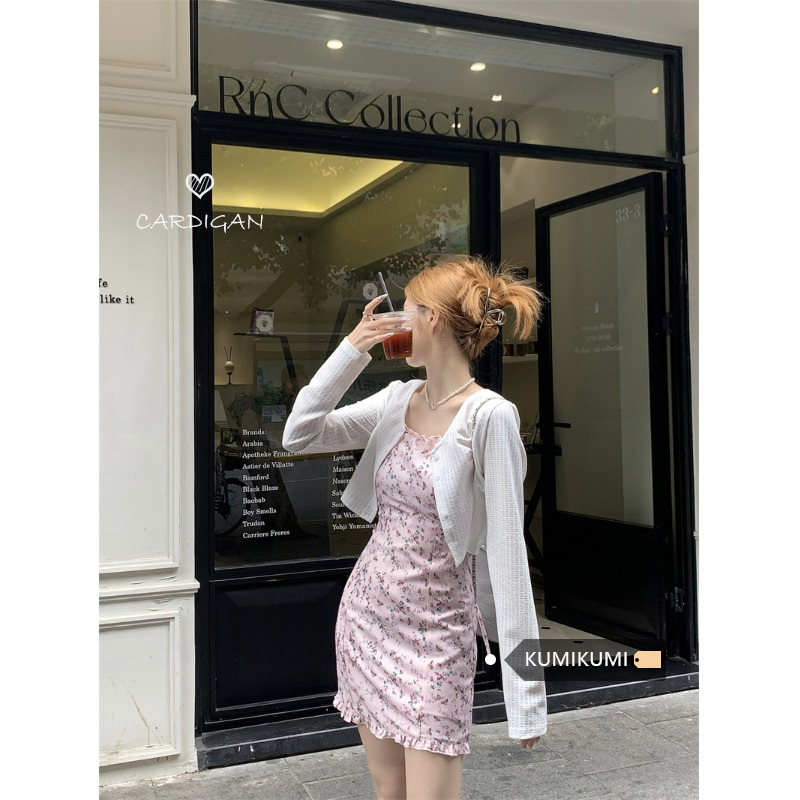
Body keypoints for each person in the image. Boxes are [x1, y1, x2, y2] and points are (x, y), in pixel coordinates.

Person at [282, 255, 548, 800]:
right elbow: (299, 434)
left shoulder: (489, 416)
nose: (397, 320)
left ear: (434, 319)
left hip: (439, 633)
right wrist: (352, 349)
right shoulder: (397, 399)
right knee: (390, 791)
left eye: (406, 310)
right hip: (368, 618)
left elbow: (507, 554)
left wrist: (525, 698)